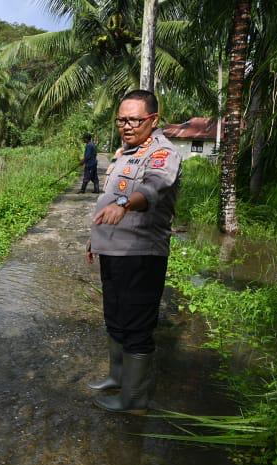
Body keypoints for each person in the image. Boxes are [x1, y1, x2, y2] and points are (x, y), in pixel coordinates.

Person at [85, 89, 182, 414]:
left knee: (137, 324)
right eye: (121, 120)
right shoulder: (124, 152)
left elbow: (151, 188)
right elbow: (110, 197)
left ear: (152, 120)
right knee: (114, 317)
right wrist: (95, 237)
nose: (126, 126)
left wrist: (125, 205)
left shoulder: (162, 153)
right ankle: (117, 378)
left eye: (133, 120)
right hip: (112, 250)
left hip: (141, 254)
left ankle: (134, 399)